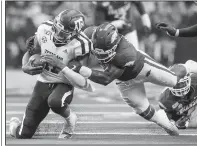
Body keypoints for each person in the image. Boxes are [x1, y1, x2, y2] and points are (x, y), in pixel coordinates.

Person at [45, 23, 197, 136]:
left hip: (142, 68)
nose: (101, 55)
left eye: (105, 51)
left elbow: (106, 79)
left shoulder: (125, 54)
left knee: (173, 80)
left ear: (115, 43)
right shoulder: (89, 34)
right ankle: (169, 127)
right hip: (124, 80)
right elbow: (75, 39)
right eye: (97, 50)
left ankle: (189, 66)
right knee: (141, 108)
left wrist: (79, 68)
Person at [9, 9, 94, 139]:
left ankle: (71, 119)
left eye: (63, 32)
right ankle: (14, 126)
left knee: (55, 101)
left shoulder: (82, 44)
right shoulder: (44, 28)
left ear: (75, 32)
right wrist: (25, 66)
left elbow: (83, 81)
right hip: (43, 80)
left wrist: (61, 66)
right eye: (56, 28)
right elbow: (31, 52)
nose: (57, 34)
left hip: (64, 82)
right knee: (23, 134)